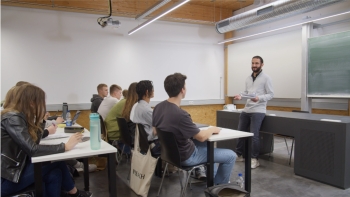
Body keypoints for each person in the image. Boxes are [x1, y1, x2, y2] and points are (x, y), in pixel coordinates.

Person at [1, 84, 92, 197]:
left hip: (15, 172)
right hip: (7, 180)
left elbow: (35, 141)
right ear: (31, 102)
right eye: (41, 101)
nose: (43, 104)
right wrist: (65, 146)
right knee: (57, 161)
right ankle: (75, 193)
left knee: (55, 173)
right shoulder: (13, 118)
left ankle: (74, 193)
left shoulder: (16, 116)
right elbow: (33, 149)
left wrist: (40, 121)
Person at [152, 73, 236, 184]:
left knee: (205, 144)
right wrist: (212, 129)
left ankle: (213, 179)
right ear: (182, 90)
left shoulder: (158, 107)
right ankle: (218, 188)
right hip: (187, 157)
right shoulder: (181, 114)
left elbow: (154, 131)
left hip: (169, 155)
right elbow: (201, 137)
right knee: (231, 156)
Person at [233, 56, 274, 169]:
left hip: (258, 110)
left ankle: (254, 159)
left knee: (254, 135)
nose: (254, 65)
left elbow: (271, 94)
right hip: (247, 109)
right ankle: (239, 155)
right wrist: (240, 96)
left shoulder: (266, 78)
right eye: (253, 63)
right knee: (240, 133)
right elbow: (247, 93)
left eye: (256, 63)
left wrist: (259, 98)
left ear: (262, 64)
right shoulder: (248, 78)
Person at [130, 80, 160, 157]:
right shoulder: (146, 110)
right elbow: (161, 125)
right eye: (152, 89)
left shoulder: (137, 106)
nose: (153, 91)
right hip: (153, 145)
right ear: (147, 92)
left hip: (143, 144)